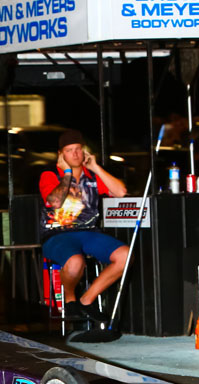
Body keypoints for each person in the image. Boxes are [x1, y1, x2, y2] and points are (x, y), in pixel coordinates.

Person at [38, 129, 128, 323]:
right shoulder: (50, 174)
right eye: (69, 150)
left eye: (78, 149)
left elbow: (120, 192)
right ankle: (70, 300)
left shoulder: (91, 176)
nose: (75, 154)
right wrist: (67, 174)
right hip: (56, 234)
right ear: (60, 154)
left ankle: (86, 300)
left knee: (125, 256)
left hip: (88, 232)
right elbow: (55, 202)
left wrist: (95, 167)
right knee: (75, 262)